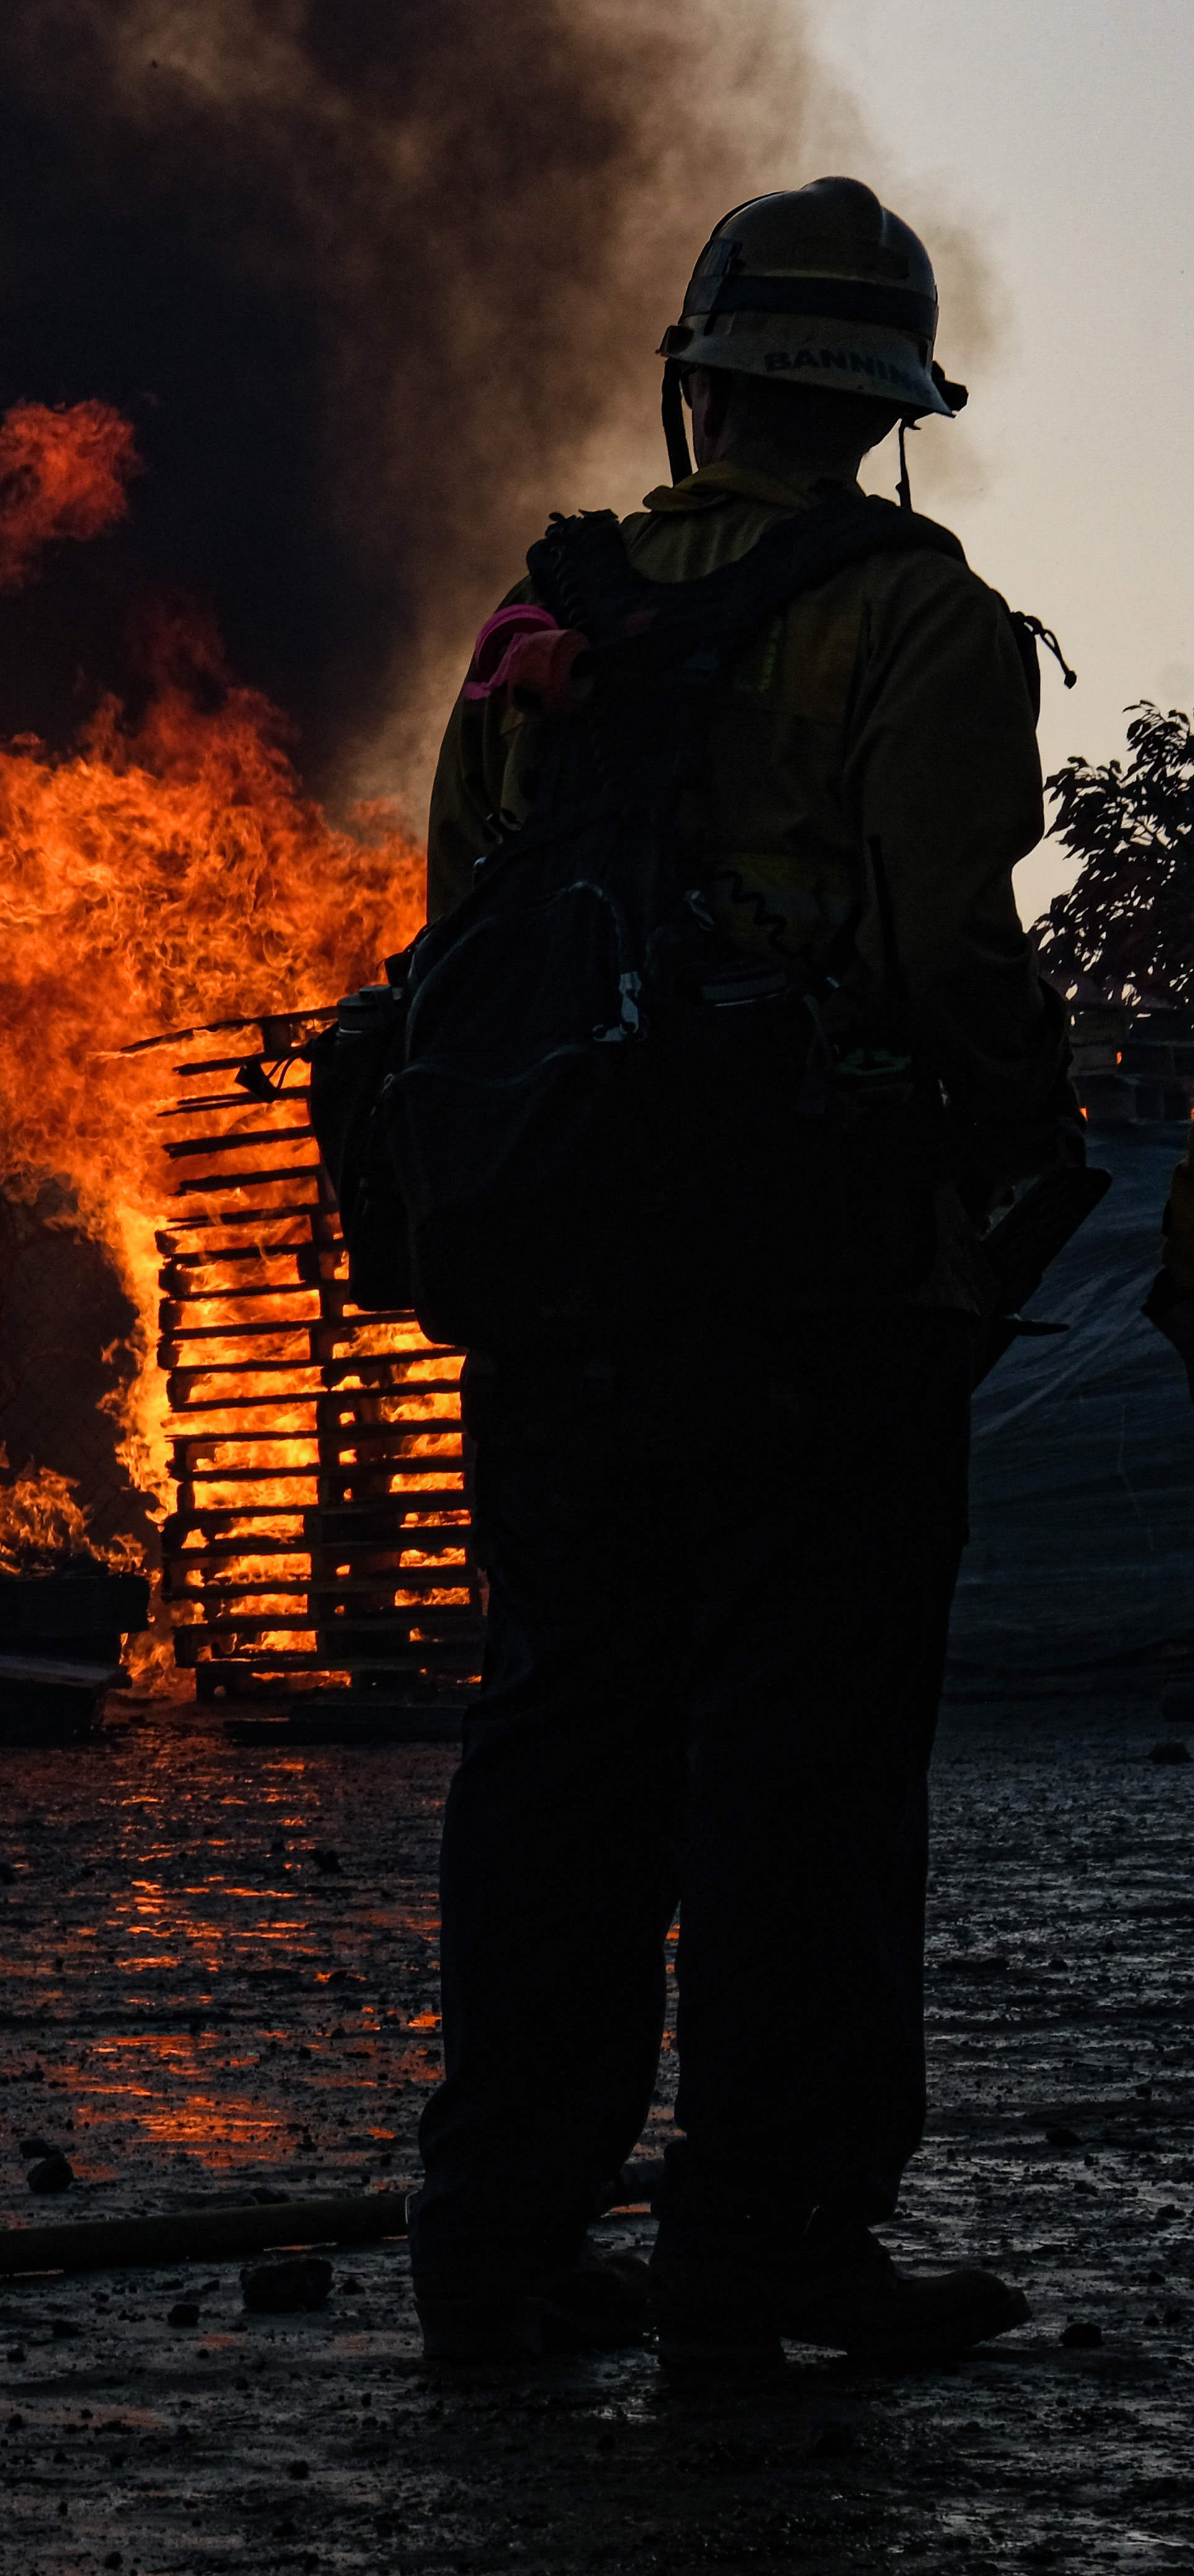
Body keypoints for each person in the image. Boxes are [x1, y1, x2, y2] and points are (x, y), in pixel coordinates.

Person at [409, 180, 1072, 2365]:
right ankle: (765, 2236)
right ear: (885, 414)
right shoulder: (917, 619)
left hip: (565, 1287)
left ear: (699, 386)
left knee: (563, 1742)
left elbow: (461, 944)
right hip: (813, 1294)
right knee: (800, 1761)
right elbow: (945, 950)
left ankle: (505, 2237)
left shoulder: (541, 615)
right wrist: (1016, 1160)